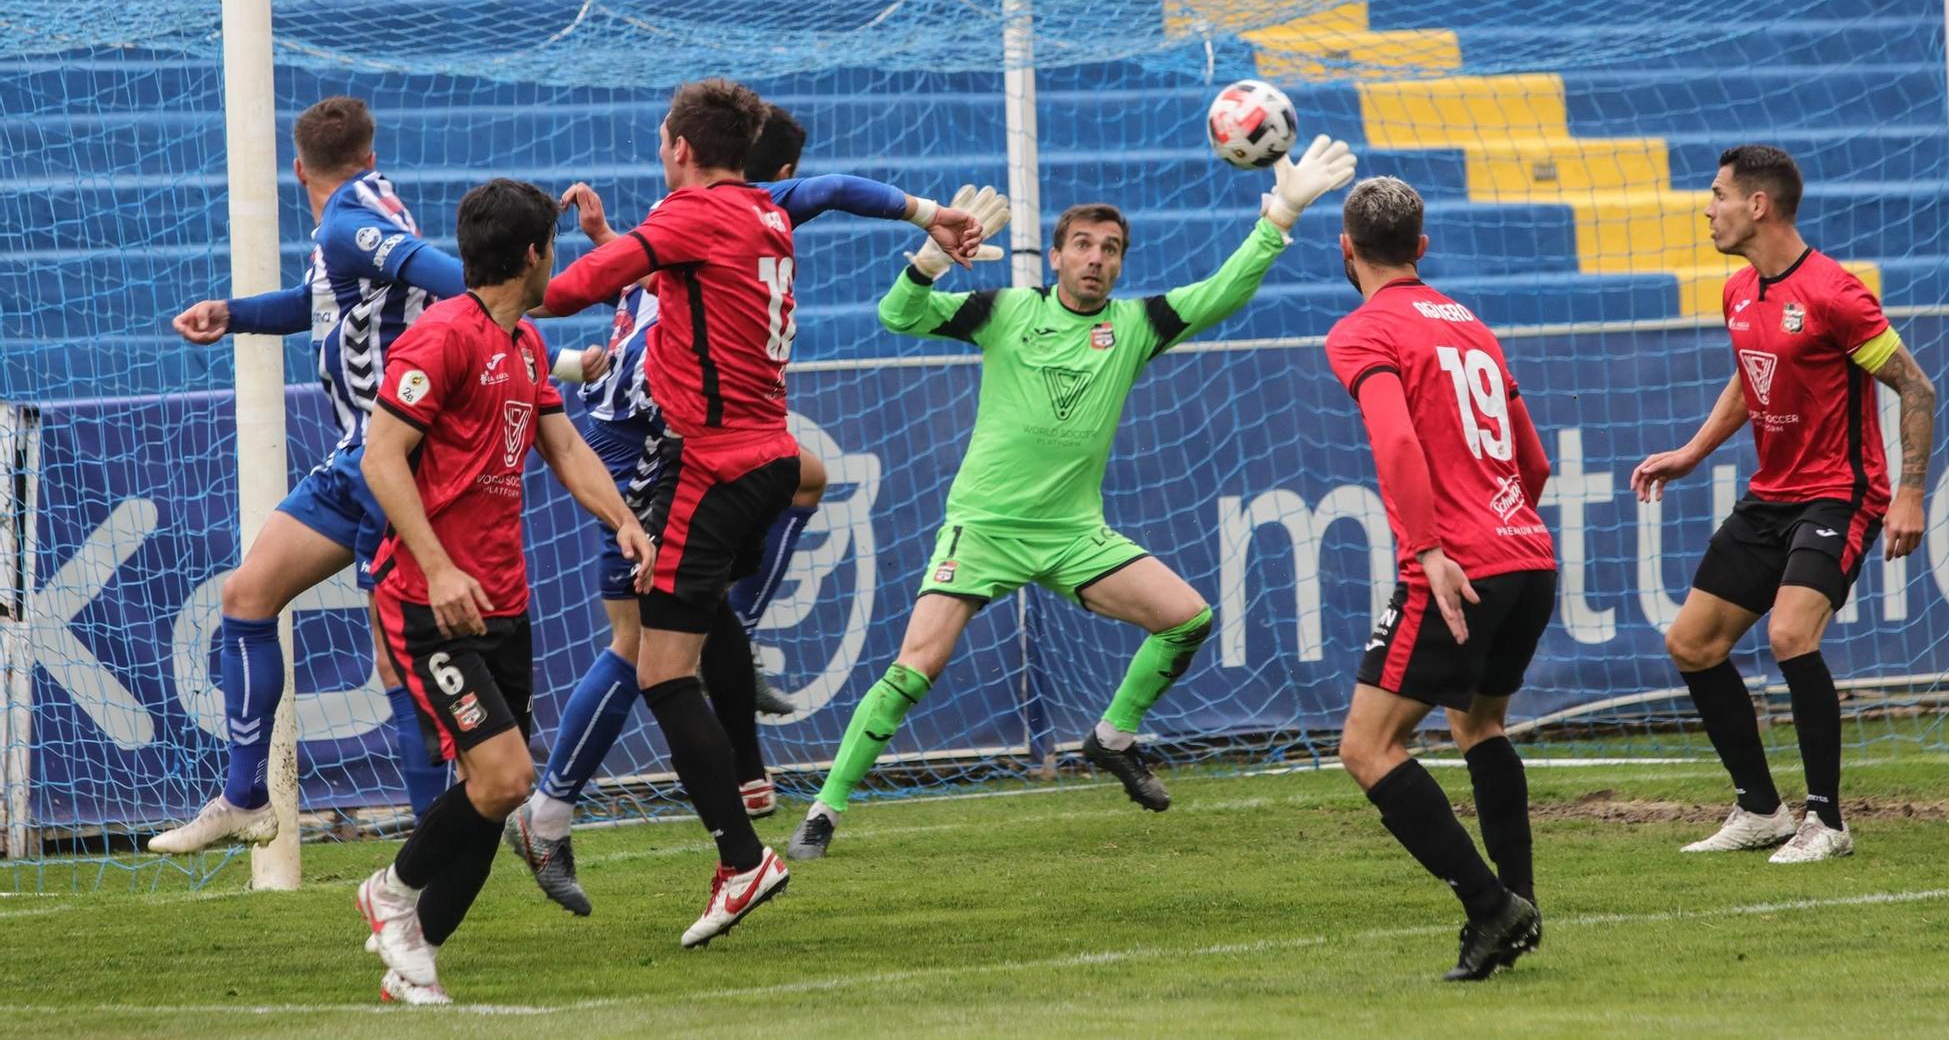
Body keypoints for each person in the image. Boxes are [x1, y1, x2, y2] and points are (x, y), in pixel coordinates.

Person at [786, 135, 1356, 862]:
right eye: (1082, 244)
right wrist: (929, 259)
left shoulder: (1134, 328)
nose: (1096, 258)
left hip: (1072, 532)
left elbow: (1222, 292)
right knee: (913, 669)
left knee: (1188, 618)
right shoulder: (1006, 310)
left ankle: (1113, 737)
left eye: (1110, 248)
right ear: (1055, 257)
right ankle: (824, 813)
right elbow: (899, 315)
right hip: (986, 528)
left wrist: (1278, 216)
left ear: (1120, 262)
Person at [507, 103, 989, 917]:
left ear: (684, 149)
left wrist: (484, 285)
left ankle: (568, 816)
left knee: (650, 651)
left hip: (673, 453)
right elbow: (682, 274)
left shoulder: (692, 215)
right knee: (676, 620)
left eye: (662, 142)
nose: (658, 153)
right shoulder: (765, 210)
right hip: (707, 445)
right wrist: (926, 211)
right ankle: (706, 748)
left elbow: (575, 292)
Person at [353, 178, 654, 1005]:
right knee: (505, 778)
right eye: (553, 247)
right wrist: (439, 566)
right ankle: (389, 892)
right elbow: (382, 458)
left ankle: (413, 957)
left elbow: (564, 448)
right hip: (430, 596)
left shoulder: (520, 345)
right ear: (534, 254)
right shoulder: (441, 337)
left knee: (489, 792)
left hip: (503, 601)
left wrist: (624, 520)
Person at [151, 96, 477, 854]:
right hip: (357, 459)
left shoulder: (347, 221)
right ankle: (244, 795)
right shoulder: (368, 204)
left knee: (400, 655)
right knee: (248, 594)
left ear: (297, 167)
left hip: (390, 457)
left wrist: (521, 312)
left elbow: (450, 280)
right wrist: (233, 313)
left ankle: (461, 822)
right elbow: (320, 299)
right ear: (368, 153)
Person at [1633, 144, 1936, 863]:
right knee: (1692, 643)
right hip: (1772, 496)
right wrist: (1690, 452)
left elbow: (1916, 388)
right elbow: (1751, 379)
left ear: (1757, 205)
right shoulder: (1740, 291)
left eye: (1717, 194)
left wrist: (1910, 493)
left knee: (1791, 635)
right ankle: (1762, 808)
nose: (1707, 208)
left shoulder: (1835, 292)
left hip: (1840, 490)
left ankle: (1827, 820)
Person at [1324, 176, 1552, 982]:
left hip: (1457, 563)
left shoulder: (1361, 331)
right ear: (1422, 248)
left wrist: (1429, 549)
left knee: (1366, 744)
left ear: (1346, 248)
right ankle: (1520, 905)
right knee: (1479, 726)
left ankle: (1491, 908)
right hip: (1529, 553)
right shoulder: (1472, 325)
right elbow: (1534, 462)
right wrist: (1501, 524)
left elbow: (1395, 444)